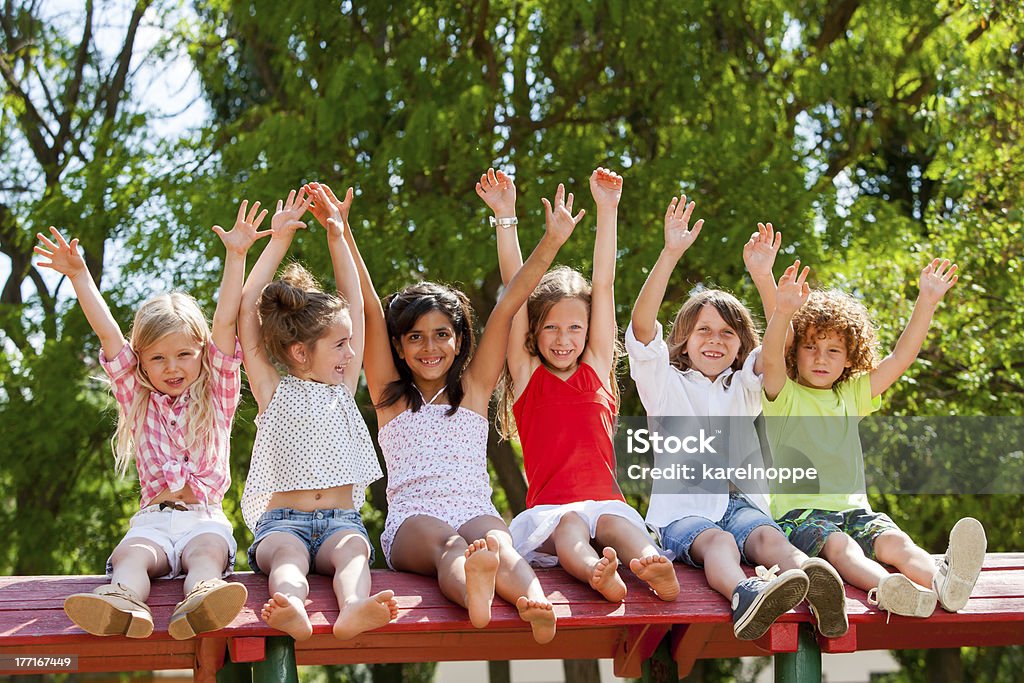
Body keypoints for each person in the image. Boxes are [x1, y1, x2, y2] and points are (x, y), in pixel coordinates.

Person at [305, 174, 570, 644]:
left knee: (501, 542)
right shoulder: (389, 393)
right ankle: (474, 589)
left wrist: (550, 241)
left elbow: (510, 304)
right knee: (453, 547)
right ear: (399, 348)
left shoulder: (473, 390)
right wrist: (341, 235)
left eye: (442, 334)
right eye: (415, 337)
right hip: (413, 519)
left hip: (473, 506)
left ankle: (536, 603)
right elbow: (366, 305)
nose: (430, 347)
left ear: (461, 340)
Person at [39, 201, 265, 639]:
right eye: (158, 358)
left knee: (207, 553)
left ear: (202, 352)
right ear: (140, 362)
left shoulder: (217, 396)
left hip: (204, 517)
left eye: (183, 354)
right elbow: (108, 334)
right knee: (132, 557)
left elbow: (224, 320)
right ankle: (124, 603)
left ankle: (201, 597)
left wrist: (236, 255)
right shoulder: (138, 400)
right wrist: (80, 276)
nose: (172, 367)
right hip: (153, 520)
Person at [626, 210, 847, 638]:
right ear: (684, 343)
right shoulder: (664, 385)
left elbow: (776, 349)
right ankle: (745, 594)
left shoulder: (743, 386)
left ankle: (813, 580)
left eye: (728, 333)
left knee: (768, 538)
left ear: (741, 343)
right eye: (703, 331)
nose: (715, 339)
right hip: (683, 513)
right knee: (720, 544)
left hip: (741, 503)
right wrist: (671, 252)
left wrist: (767, 282)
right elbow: (641, 326)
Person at [495, 168, 680, 603]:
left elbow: (603, 283)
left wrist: (607, 209)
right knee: (570, 531)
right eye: (552, 329)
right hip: (553, 511)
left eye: (575, 327)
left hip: (606, 502)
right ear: (534, 334)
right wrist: (506, 216)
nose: (564, 339)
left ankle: (655, 566)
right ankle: (595, 573)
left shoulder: (597, 369)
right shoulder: (527, 377)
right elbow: (514, 291)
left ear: (589, 329)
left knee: (618, 526)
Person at [762, 258, 986, 618]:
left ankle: (945, 583)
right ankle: (886, 589)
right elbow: (771, 357)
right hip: (800, 516)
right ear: (795, 352)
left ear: (849, 358)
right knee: (840, 547)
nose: (821, 358)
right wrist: (781, 310)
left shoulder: (851, 396)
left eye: (833, 350)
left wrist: (926, 301)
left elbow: (901, 357)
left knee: (896, 542)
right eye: (810, 347)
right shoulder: (783, 395)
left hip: (856, 510)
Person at [239, 187, 396, 641]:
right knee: (287, 560)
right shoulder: (273, 389)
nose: (351, 353)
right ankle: (291, 607)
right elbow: (248, 314)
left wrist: (338, 234)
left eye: (350, 343)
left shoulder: (343, 390)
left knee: (352, 554)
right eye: (340, 345)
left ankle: (352, 608)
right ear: (299, 353)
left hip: (340, 521)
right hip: (281, 522)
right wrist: (278, 240)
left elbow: (357, 305)